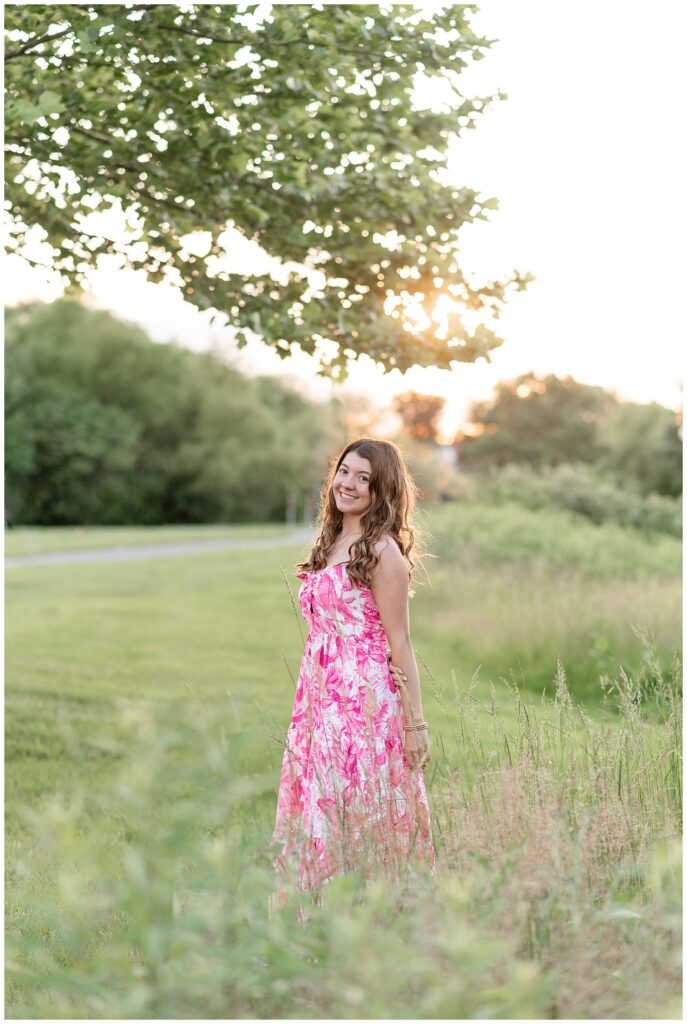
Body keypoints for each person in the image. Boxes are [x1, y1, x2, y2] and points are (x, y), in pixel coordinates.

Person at [269, 437, 435, 921]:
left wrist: (415, 723)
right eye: (345, 471)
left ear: (381, 489)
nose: (350, 483)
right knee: (317, 807)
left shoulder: (383, 553)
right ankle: (312, 922)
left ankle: (368, 924)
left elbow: (400, 642)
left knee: (358, 809)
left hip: (364, 706)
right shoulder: (331, 543)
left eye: (364, 478)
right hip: (319, 703)